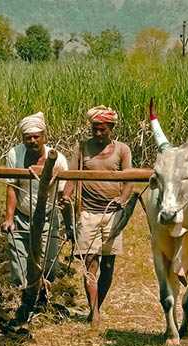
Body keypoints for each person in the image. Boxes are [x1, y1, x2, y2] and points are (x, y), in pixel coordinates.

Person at [61, 105, 133, 326]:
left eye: (102, 129)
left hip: (112, 214)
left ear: (111, 128)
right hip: (88, 213)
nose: (98, 133)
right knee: (90, 263)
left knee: (108, 266)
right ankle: (94, 312)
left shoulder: (122, 150)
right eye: (95, 129)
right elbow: (72, 176)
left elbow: (129, 181)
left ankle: (97, 306)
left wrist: (123, 198)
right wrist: (66, 195)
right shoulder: (82, 148)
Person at [1, 112, 69, 289]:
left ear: (44, 137)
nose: (32, 141)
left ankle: (44, 296)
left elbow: (63, 193)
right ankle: (21, 295)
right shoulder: (15, 154)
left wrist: (69, 221)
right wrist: (9, 218)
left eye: (36, 137)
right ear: (22, 139)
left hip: (47, 215)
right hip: (22, 215)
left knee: (48, 264)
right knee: (19, 260)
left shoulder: (58, 159)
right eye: (28, 137)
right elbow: (12, 187)